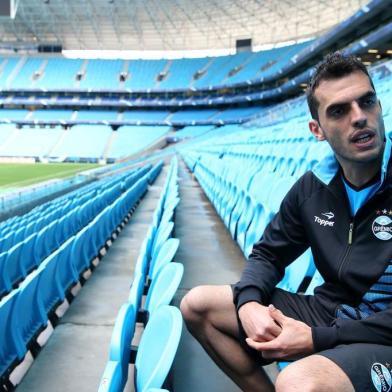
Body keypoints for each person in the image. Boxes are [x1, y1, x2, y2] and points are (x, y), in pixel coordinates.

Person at [180, 51, 392, 392]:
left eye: (366, 102)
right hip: (331, 312)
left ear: (379, 107)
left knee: (298, 381)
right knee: (198, 306)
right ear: (317, 129)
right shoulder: (313, 188)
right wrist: (249, 302)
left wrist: (317, 339)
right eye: (339, 110)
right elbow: (268, 254)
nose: (359, 117)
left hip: (383, 336)